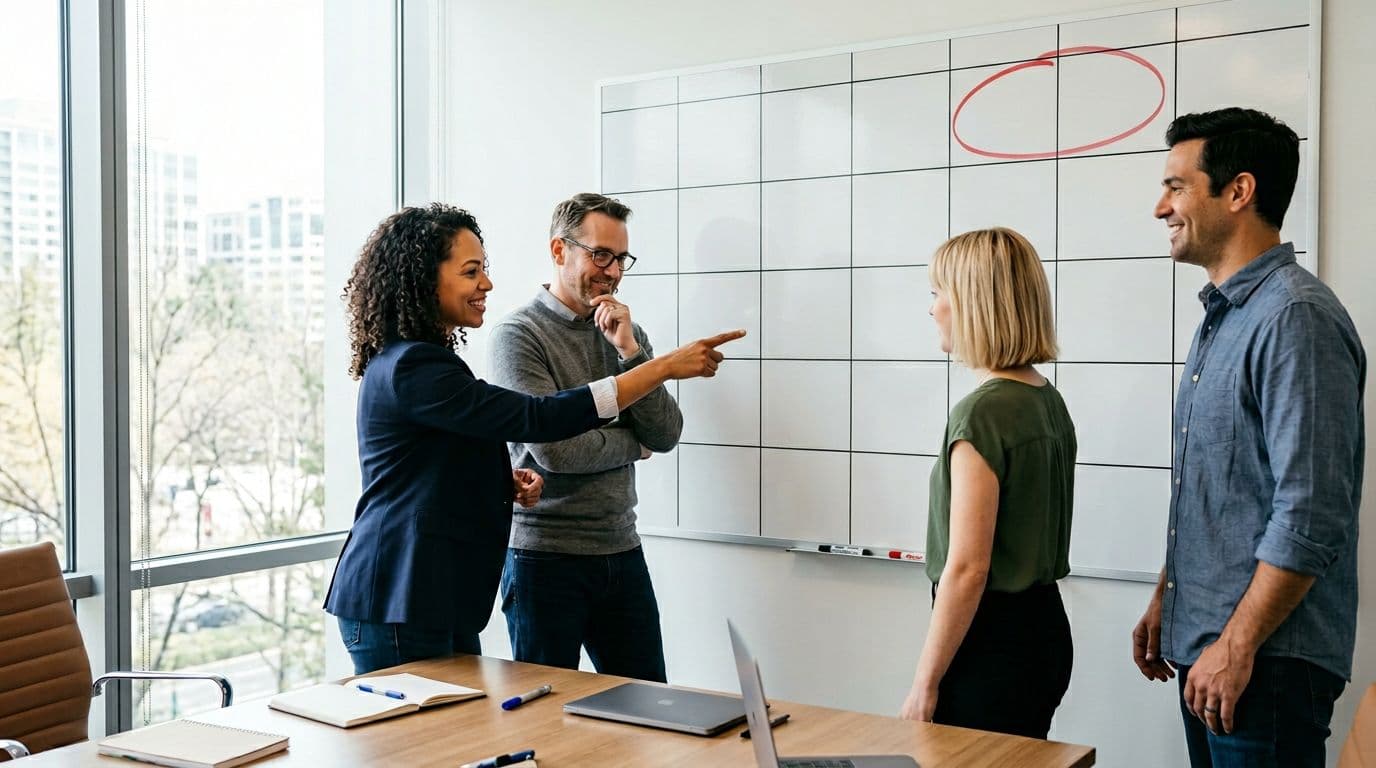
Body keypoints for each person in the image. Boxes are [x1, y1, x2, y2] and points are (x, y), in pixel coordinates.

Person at [322, 203, 743, 674]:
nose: (487, 284)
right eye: (471, 271)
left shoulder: (423, 361)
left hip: (431, 596)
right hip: (400, 595)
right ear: (424, 277)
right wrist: (658, 372)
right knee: (428, 745)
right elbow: (540, 422)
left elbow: (429, 465)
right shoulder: (416, 365)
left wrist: (500, 480)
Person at [1131, 108, 1364, 767]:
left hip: (1264, 663)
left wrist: (1236, 644)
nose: (1160, 207)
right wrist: (1167, 596)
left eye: (1176, 186)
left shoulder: (1295, 317)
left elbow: (1312, 512)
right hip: (1215, 654)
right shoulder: (1226, 319)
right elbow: (1225, 491)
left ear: (1239, 191)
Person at [488, 193, 678, 682]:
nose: (612, 271)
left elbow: (668, 432)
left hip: (621, 549)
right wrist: (632, 444)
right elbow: (558, 451)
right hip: (543, 560)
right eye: (600, 255)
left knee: (648, 708)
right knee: (546, 722)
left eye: (620, 259)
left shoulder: (625, 332)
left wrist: (632, 353)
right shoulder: (519, 335)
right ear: (559, 250)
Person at [899, 227, 1076, 739]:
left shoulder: (984, 413)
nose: (932, 309)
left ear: (973, 303)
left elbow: (968, 568)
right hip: (1042, 630)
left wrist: (924, 682)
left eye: (938, 294)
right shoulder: (1045, 398)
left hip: (990, 644)